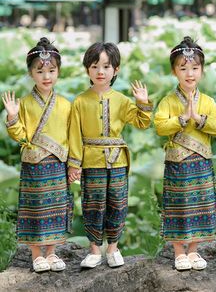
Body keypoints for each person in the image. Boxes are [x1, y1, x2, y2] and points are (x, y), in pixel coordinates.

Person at [68, 42, 153, 268]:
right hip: (91, 160)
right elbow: (75, 135)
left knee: (117, 202)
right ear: (87, 69)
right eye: (95, 66)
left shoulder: (122, 100)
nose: (100, 72)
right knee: (92, 203)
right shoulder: (79, 101)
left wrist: (142, 102)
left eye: (106, 67)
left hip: (117, 160)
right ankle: (95, 249)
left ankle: (114, 247)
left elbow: (142, 123)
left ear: (116, 70)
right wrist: (74, 164)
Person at [2, 37, 72, 273]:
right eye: (40, 71)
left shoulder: (65, 104)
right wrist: (12, 117)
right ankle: (36, 254)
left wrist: (74, 165)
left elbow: (73, 137)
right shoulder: (22, 104)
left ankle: (51, 252)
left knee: (56, 207)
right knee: (35, 209)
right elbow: (20, 136)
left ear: (58, 72)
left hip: (57, 164)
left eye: (52, 71)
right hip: (34, 164)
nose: (46, 76)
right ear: (31, 73)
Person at [154, 36, 216, 271]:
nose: (189, 73)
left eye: (194, 68)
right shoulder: (167, 101)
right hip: (178, 162)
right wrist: (181, 119)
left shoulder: (209, 102)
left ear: (202, 71)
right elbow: (160, 126)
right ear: (175, 71)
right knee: (178, 205)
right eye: (183, 68)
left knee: (200, 205)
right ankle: (178, 251)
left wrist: (199, 119)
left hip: (201, 161)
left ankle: (193, 250)